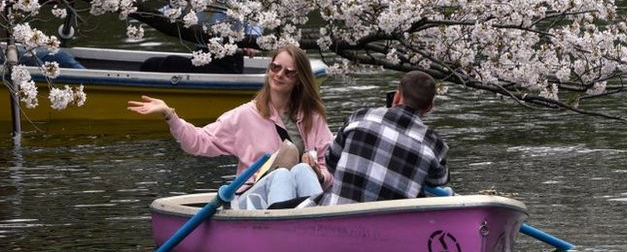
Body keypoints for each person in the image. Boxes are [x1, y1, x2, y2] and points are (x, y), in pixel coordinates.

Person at [127, 45, 332, 209]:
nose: (279, 75)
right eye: (275, 68)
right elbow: (199, 142)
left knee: (305, 170)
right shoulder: (244, 115)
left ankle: (317, 227)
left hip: (301, 198)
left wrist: (320, 174)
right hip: (252, 200)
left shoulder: (312, 118)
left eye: (289, 73)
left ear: (299, 80)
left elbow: (332, 164)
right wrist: (169, 115)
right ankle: (282, 233)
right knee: (280, 175)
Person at [306, 70, 449, 206]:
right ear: (429, 107)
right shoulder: (433, 145)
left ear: (397, 97)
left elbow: (331, 161)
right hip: (389, 225)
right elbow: (438, 181)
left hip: (338, 215)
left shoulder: (359, 118)